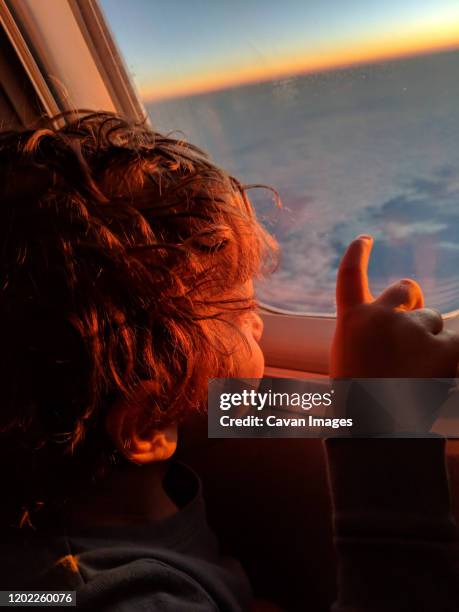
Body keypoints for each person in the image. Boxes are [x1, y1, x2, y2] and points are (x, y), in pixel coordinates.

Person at [0, 111, 458, 611]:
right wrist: (386, 439)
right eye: (241, 310)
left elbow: (239, 408)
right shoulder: (110, 597)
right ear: (145, 427)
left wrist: (378, 396)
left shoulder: (96, 445)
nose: (258, 318)